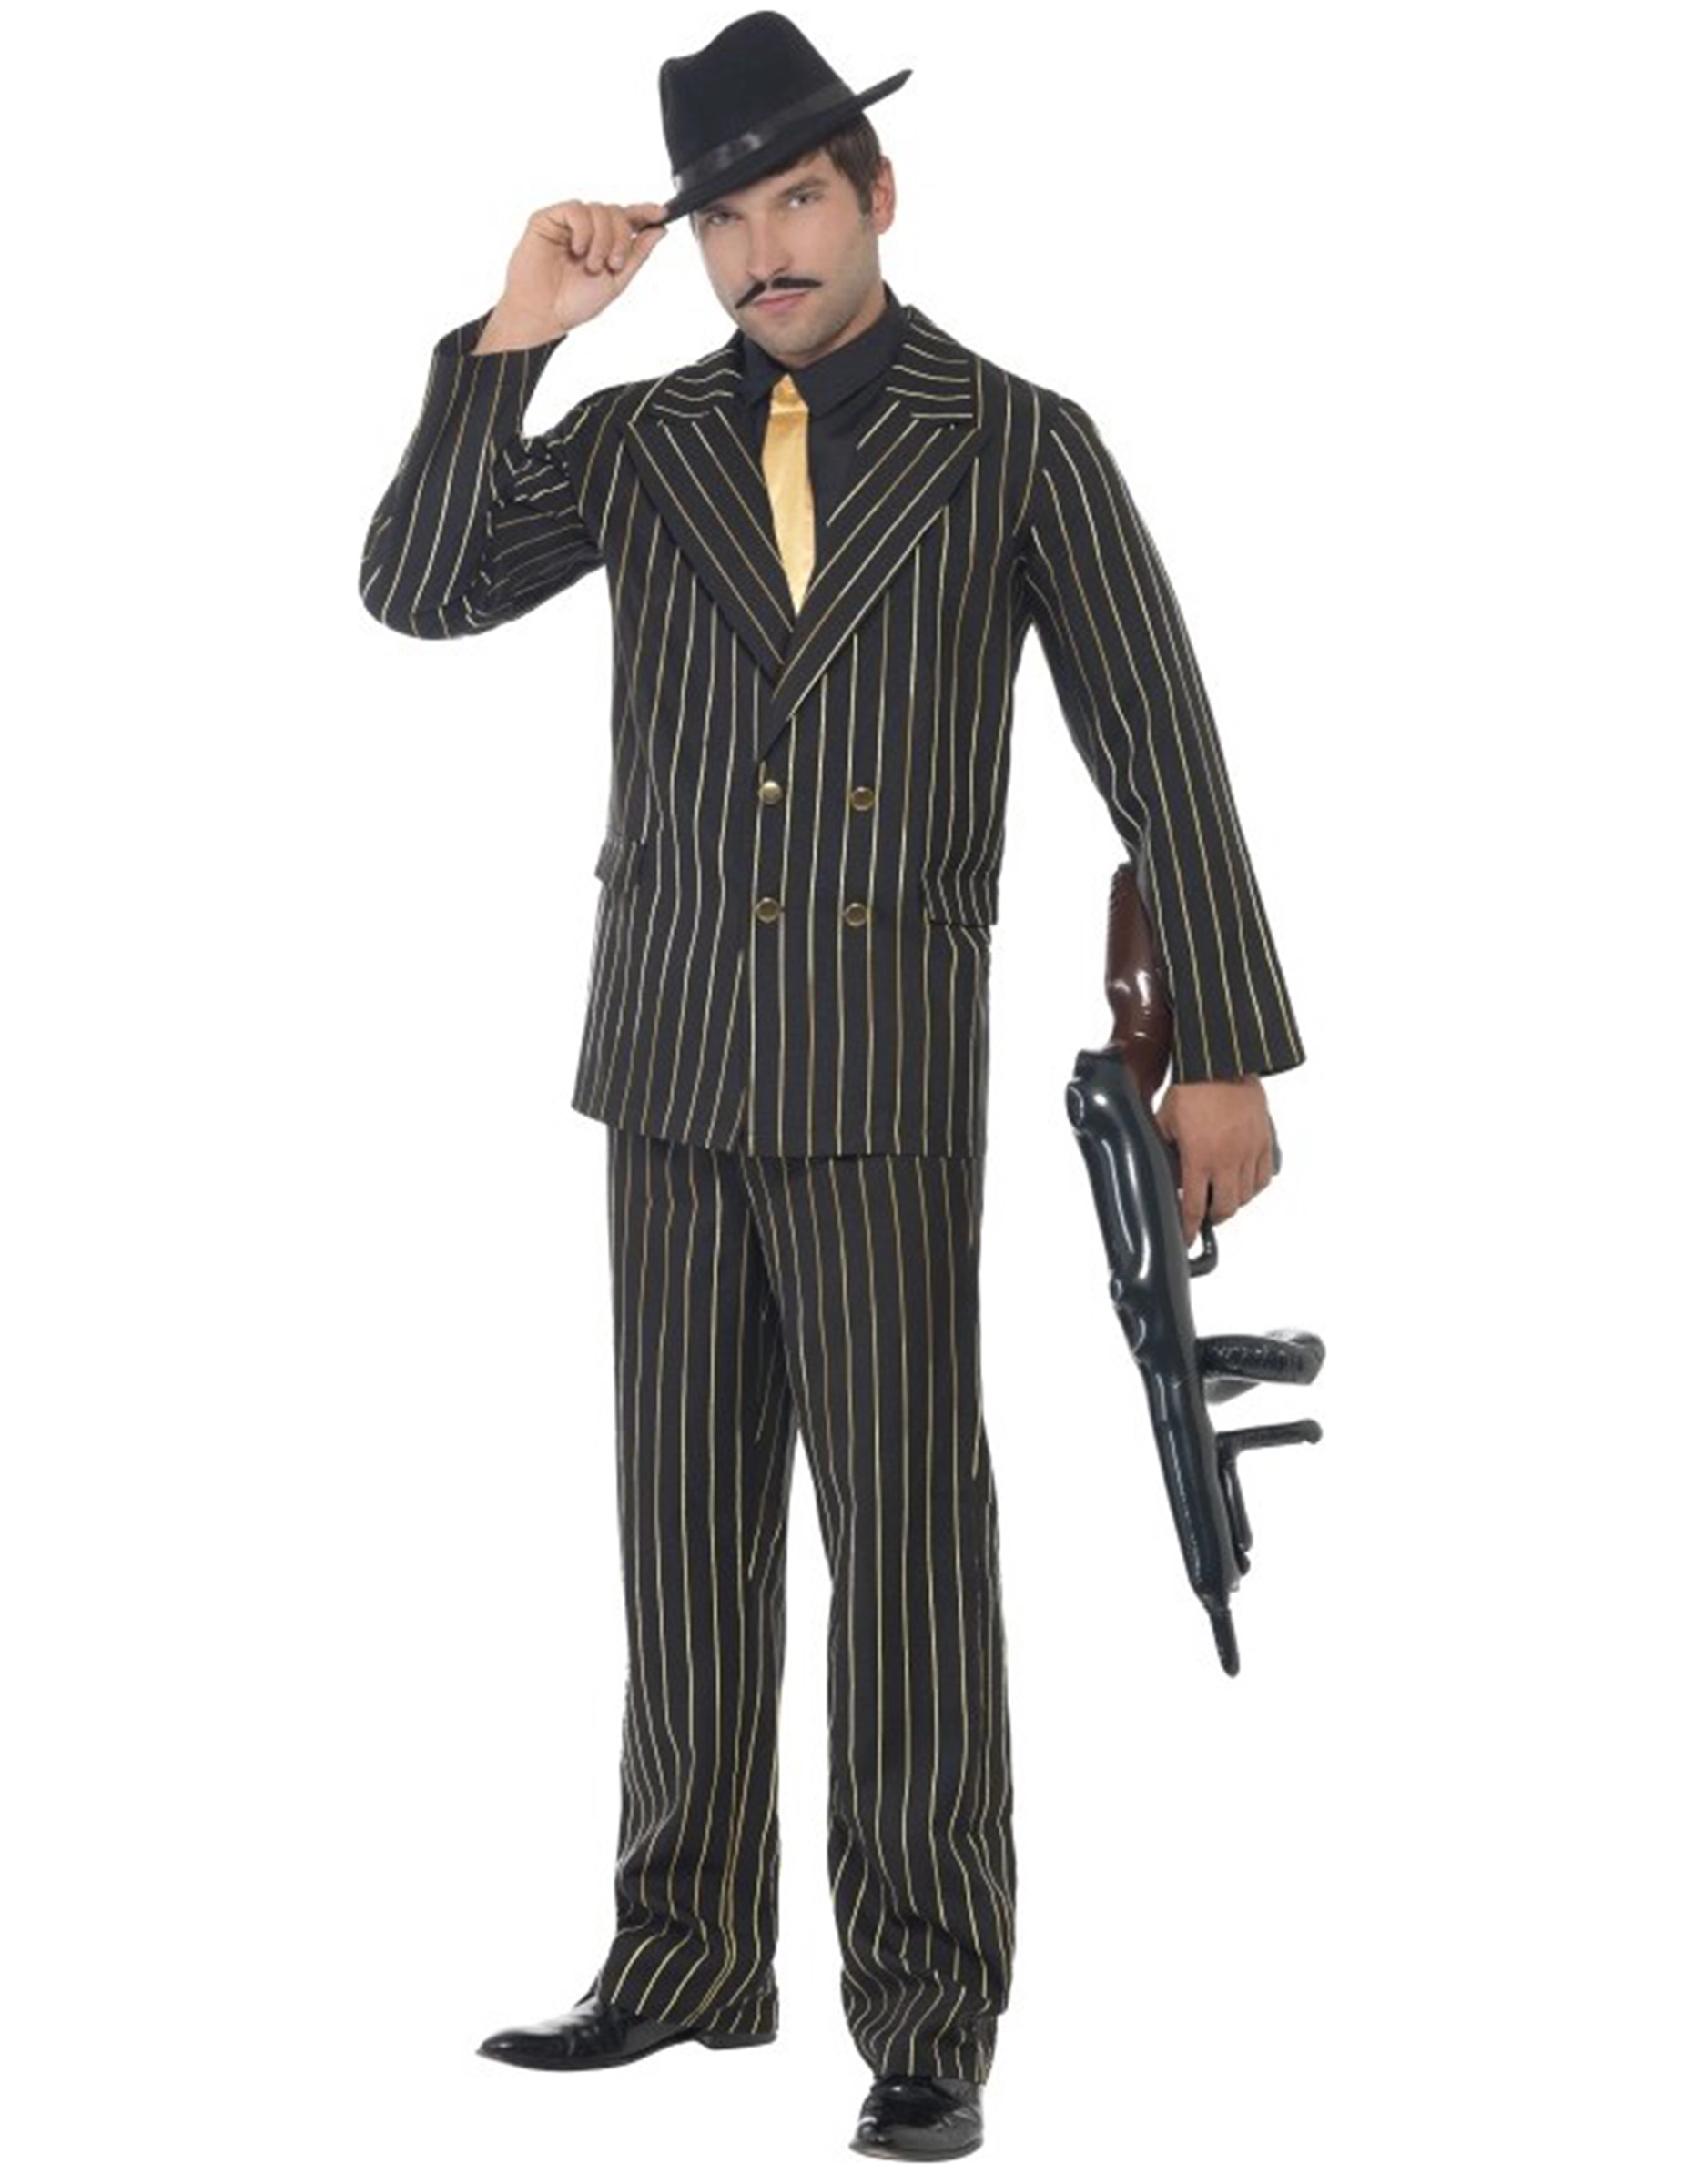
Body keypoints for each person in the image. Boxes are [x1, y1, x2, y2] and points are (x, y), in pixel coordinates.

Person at [358, 9, 1307, 2160]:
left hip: (879, 1071)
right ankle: (686, 1955)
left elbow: (1160, 755)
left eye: (798, 200)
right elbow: (415, 588)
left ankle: (928, 2003)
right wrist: (514, 339)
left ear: (878, 198)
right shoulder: (642, 439)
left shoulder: (1021, 443)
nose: (763, 252)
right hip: (669, 1054)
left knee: (905, 1547)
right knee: (681, 1534)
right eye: (722, 220)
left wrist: (1226, 1056)